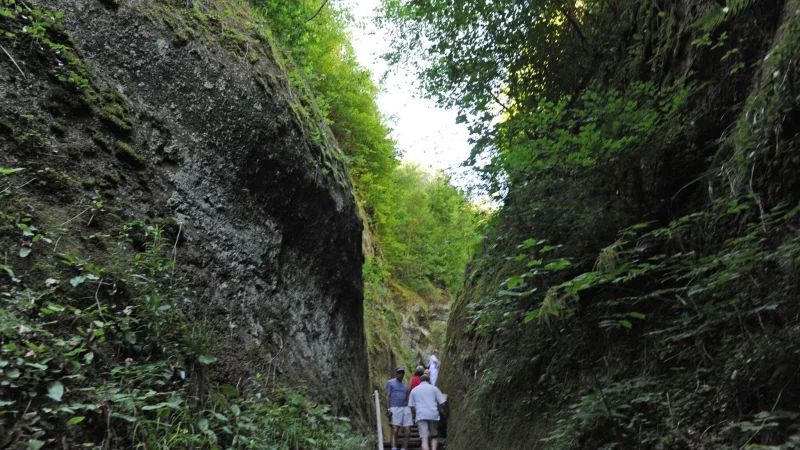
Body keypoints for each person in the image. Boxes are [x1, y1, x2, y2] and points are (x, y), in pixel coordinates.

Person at [409, 374, 447, 450]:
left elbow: (411, 406)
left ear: (420, 381)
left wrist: (417, 412)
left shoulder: (414, 390)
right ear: (429, 380)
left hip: (421, 415)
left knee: (424, 439)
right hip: (433, 415)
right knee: (434, 436)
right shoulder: (434, 388)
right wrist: (444, 398)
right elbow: (442, 403)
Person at [385, 366, 412, 450]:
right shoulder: (390, 383)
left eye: (402, 372)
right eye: (399, 372)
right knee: (395, 430)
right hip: (395, 407)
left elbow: (408, 398)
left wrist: (410, 408)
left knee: (408, 431)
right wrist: (388, 409)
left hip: (406, 408)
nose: (401, 374)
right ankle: (394, 448)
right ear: (396, 373)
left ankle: (403, 448)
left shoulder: (405, 386)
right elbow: (387, 396)